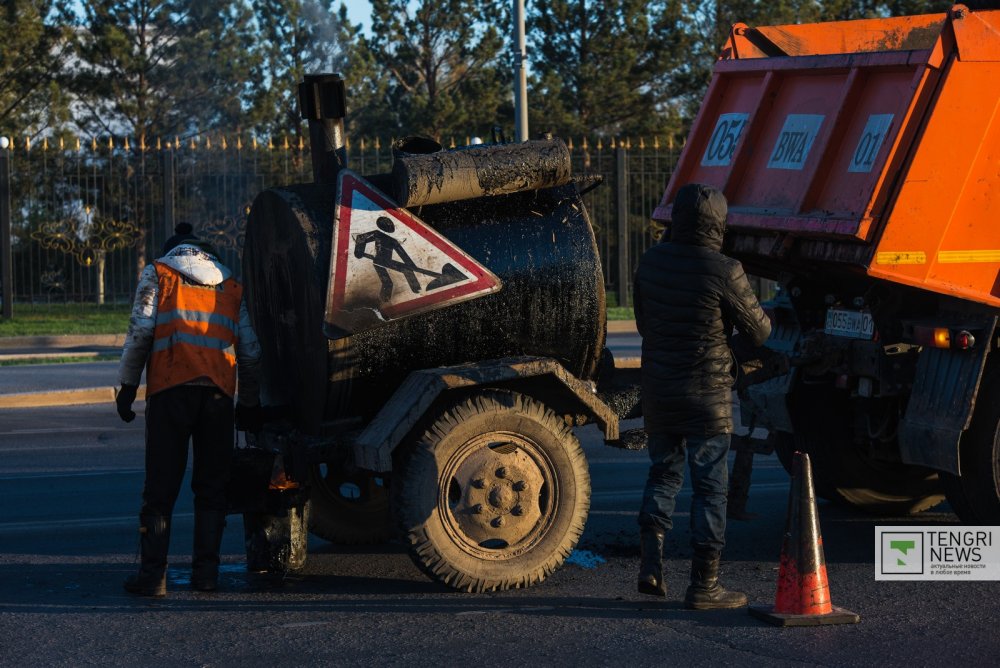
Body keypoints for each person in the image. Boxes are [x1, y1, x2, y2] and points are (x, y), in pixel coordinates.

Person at [633, 183, 771, 609]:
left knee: (663, 474)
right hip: (707, 395)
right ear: (718, 224)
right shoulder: (723, 268)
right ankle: (705, 585)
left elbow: (642, 322)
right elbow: (760, 331)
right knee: (710, 490)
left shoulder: (651, 262)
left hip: (660, 390)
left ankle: (651, 563)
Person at [116, 228, 262, 597]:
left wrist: (128, 387)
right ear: (206, 253)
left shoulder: (159, 273)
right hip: (217, 399)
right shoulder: (231, 285)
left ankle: (153, 577)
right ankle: (206, 575)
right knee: (212, 489)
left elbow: (139, 334)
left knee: (160, 489)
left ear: (174, 252)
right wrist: (248, 405)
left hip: (169, 394)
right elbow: (251, 352)